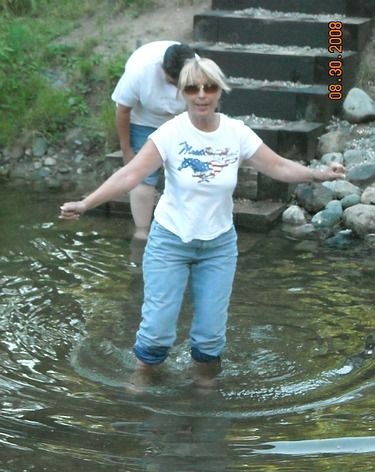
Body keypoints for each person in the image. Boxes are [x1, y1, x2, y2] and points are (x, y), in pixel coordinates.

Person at [61, 57, 345, 384]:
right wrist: (85, 203)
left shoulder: (235, 133)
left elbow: (278, 167)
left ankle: (204, 391)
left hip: (218, 246)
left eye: (208, 87)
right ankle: (139, 384)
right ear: (182, 93)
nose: (201, 95)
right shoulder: (169, 134)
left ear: (219, 91)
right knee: (156, 332)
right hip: (170, 241)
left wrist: (318, 174)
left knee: (210, 337)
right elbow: (130, 175)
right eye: (192, 88)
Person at [111, 40, 196, 240]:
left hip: (182, 120)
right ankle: (141, 232)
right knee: (142, 176)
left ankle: (185, 228)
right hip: (143, 121)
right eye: (171, 82)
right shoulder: (140, 71)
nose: (176, 88)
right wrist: (127, 151)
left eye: (181, 84)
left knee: (188, 171)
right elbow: (123, 110)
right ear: (162, 69)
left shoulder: (199, 68)